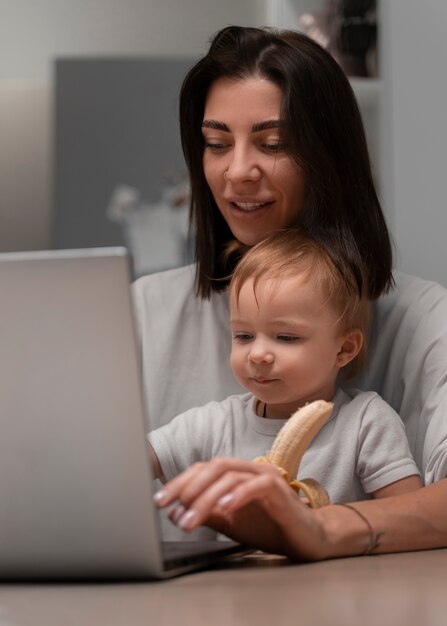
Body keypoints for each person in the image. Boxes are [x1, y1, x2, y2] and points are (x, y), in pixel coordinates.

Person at [132, 25, 447, 557]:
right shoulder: (144, 310)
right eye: (216, 144)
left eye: (272, 144)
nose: (237, 172)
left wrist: (318, 529)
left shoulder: (423, 319)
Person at [148, 231, 421, 516]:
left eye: (286, 337)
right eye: (243, 335)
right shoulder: (216, 425)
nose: (257, 354)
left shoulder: (366, 423)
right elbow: (132, 459)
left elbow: (410, 515)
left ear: (344, 349)